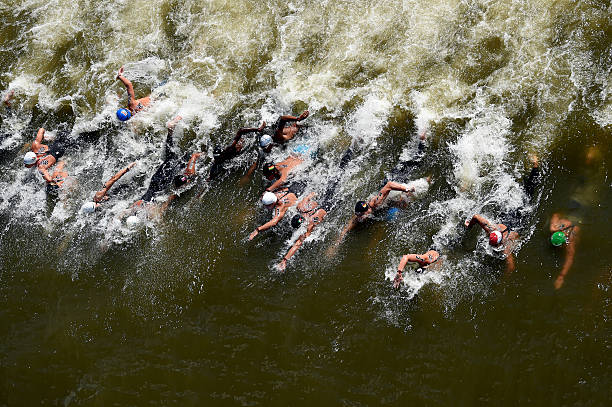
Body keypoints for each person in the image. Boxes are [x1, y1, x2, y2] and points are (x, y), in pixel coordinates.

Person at [128, 116, 201, 214]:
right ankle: (170, 131)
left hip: (162, 182)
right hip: (156, 180)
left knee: (173, 159)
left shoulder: (147, 202)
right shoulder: (142, 201)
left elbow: (166, 201)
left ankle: (171, 132)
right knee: (170, 157)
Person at [334, 178, 430, 245]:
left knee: (420, 188)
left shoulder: (376, 202)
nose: (360, 217)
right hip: (390, 200)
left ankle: (429, 178)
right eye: (359, 215)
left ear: (367, 210)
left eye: (361, 215)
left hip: (399, 192)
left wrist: (406, 189)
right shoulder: (364, 212)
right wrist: (338, 242)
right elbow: (348, 227)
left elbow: (389, 185)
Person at [278, 192, 327, 271]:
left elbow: (298, 243)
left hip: (328, 204)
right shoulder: (300, 206)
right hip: (322, 199)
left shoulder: (310, 224)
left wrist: (284, 260)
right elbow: (311, 194)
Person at [549, 214, 580, 290]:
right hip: (572, 218)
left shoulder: (570, 242)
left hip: (578, 221)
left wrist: (561, 276)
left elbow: (570, 258)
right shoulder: (553, 227)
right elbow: (555, 214)